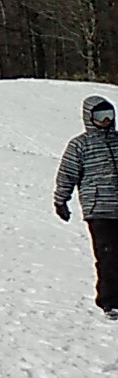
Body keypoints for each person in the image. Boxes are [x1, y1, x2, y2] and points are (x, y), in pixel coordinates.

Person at [57, 95, 118, 316]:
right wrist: (61, 200)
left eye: (109, 115)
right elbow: (67, 174)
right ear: (89, 117)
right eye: (100, 116)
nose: (106, 120)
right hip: (99, 209)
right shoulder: (80, 145)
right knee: (109, 256)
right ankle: (110, 302)